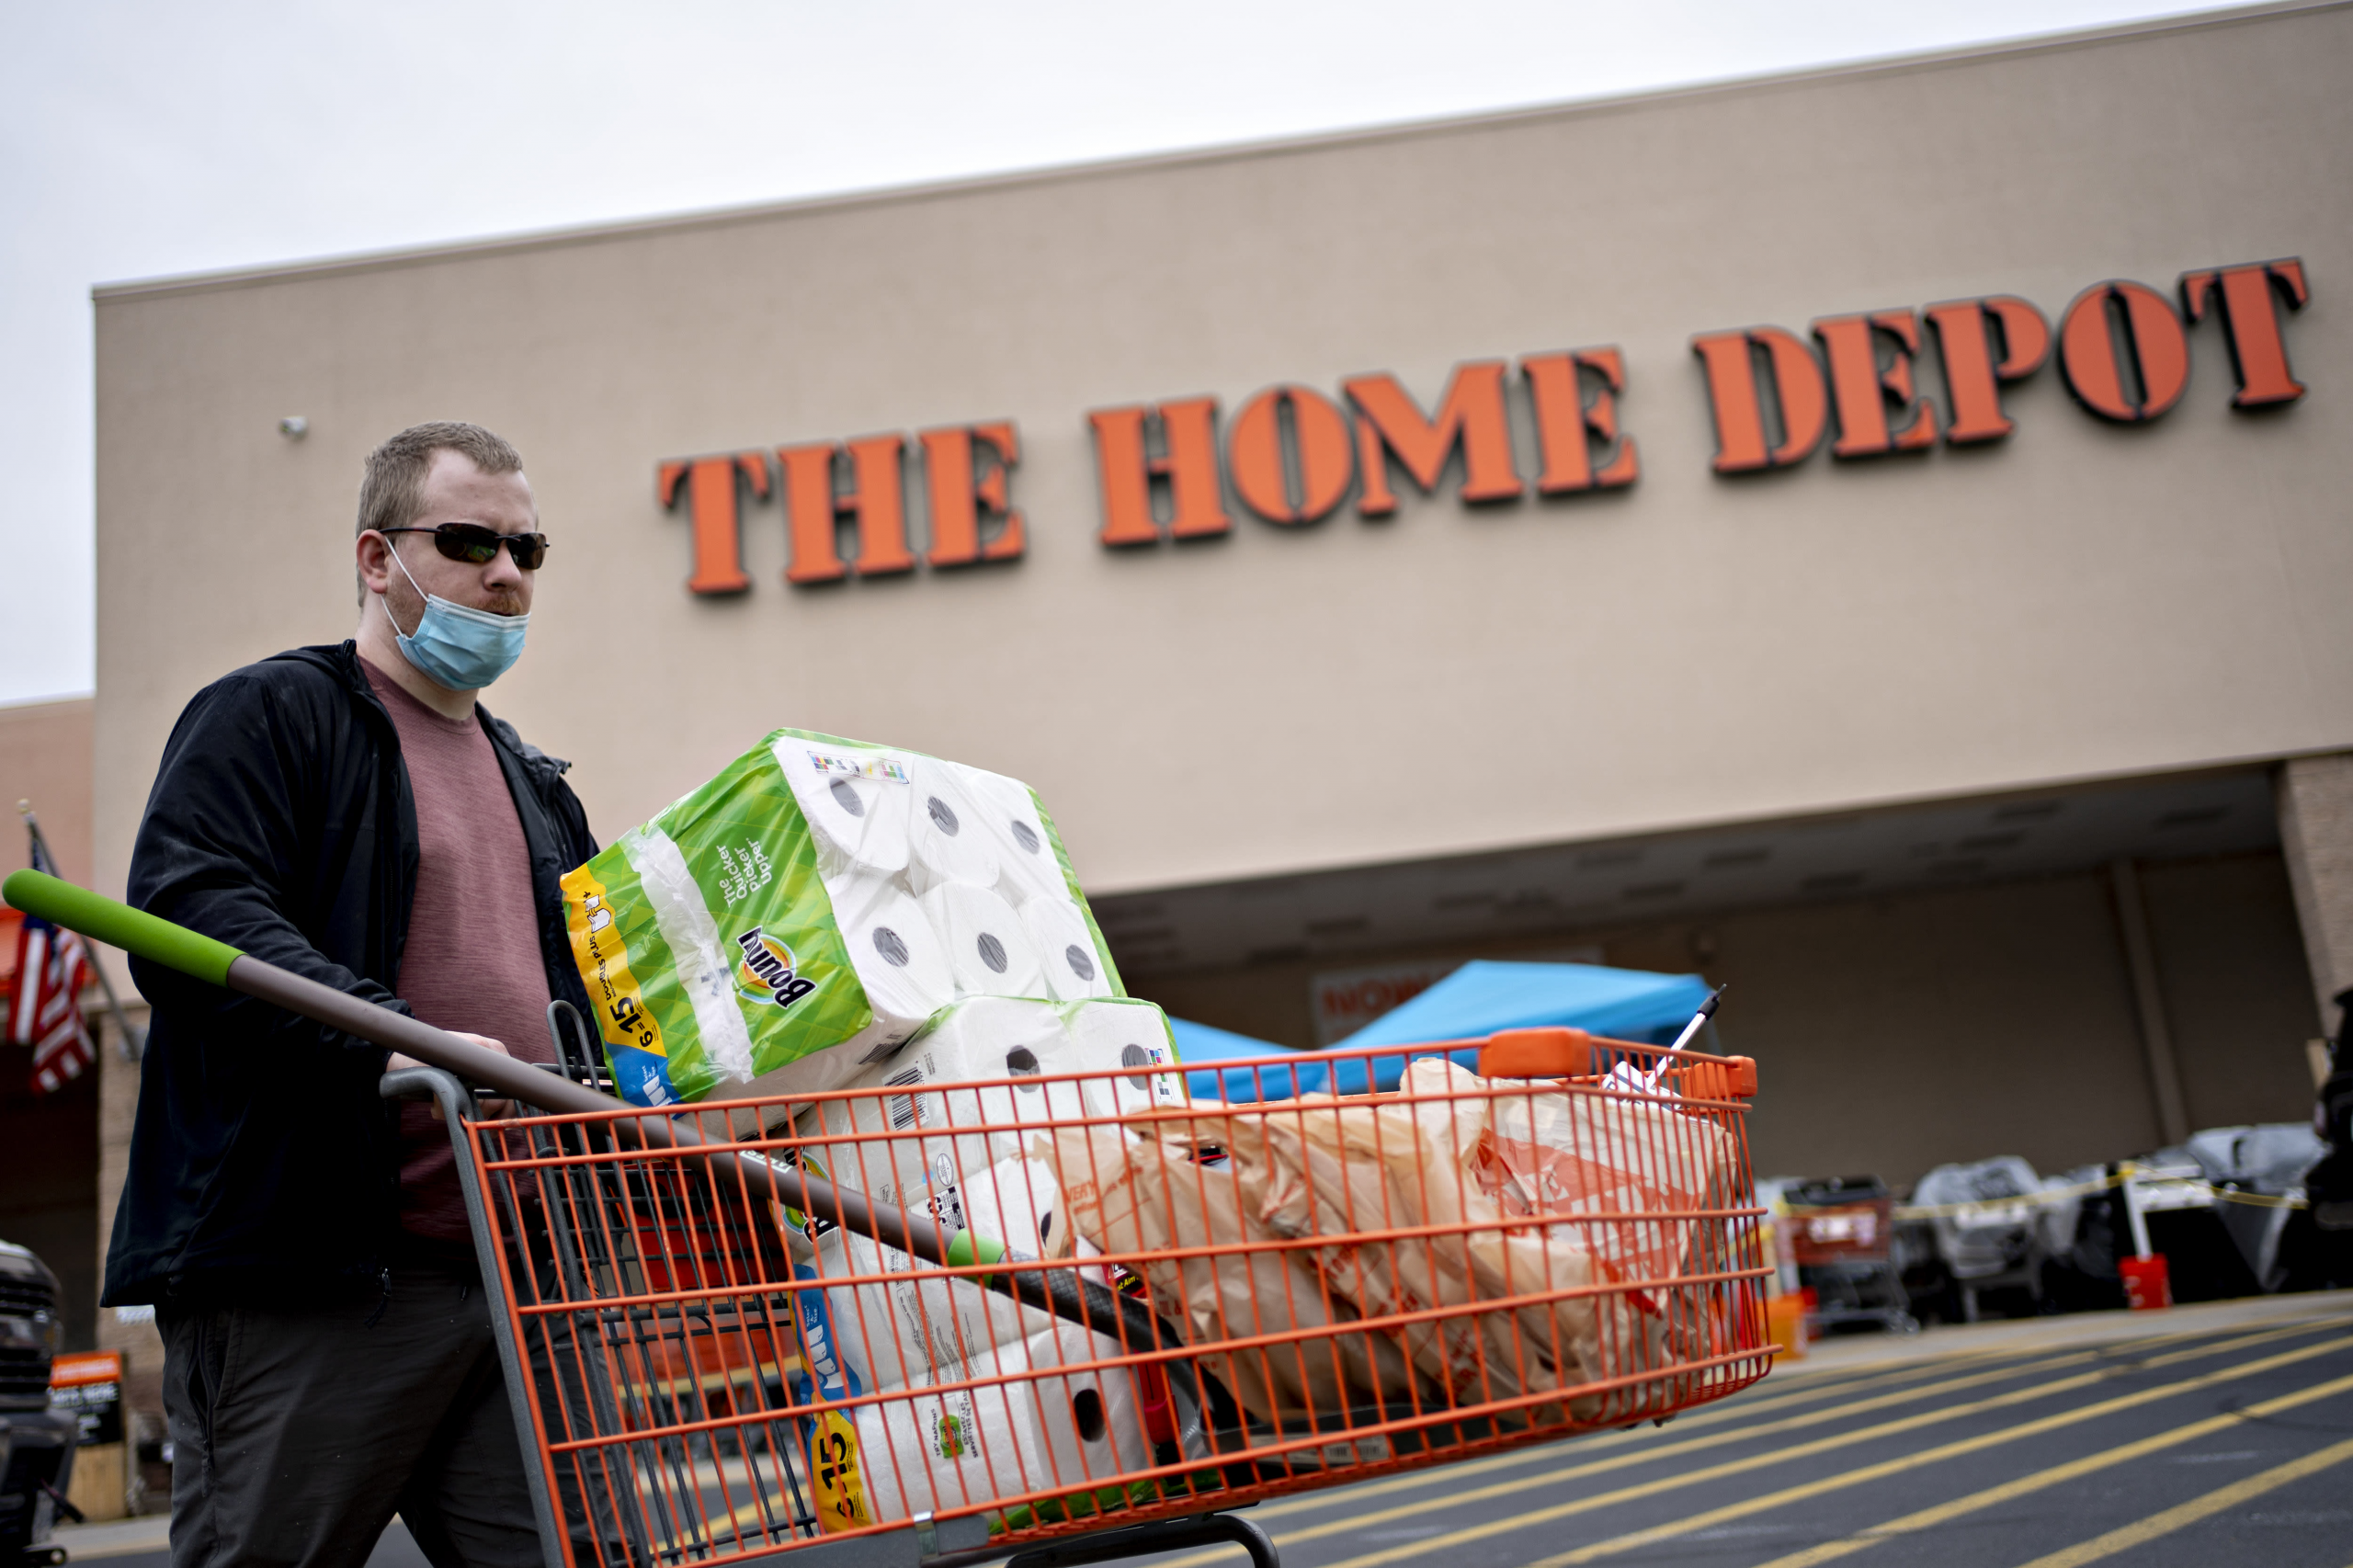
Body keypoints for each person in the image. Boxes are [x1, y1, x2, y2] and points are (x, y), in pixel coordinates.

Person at [103, 422, 597, 1568]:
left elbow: (589, 1001)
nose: (506, 573)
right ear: (377, 557)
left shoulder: (538, 786)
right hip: (312, 1270)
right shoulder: (273, 716)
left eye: (527, 548)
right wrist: (397, 1043)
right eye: (469, 540)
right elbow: (192, 909)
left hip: (513, 1271)